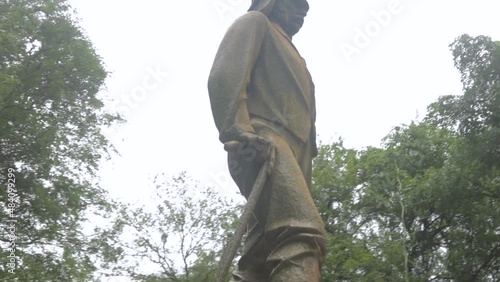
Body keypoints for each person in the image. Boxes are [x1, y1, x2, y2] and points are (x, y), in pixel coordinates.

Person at [208, 0, 326, 280]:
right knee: (300, 233)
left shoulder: (297, 55)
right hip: (264, 142)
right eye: (297, 4)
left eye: (305, 10)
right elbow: (224, 74)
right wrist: (240, 129)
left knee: (261, 253)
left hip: (297, 154)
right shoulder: (255, 24)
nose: (302, 12)